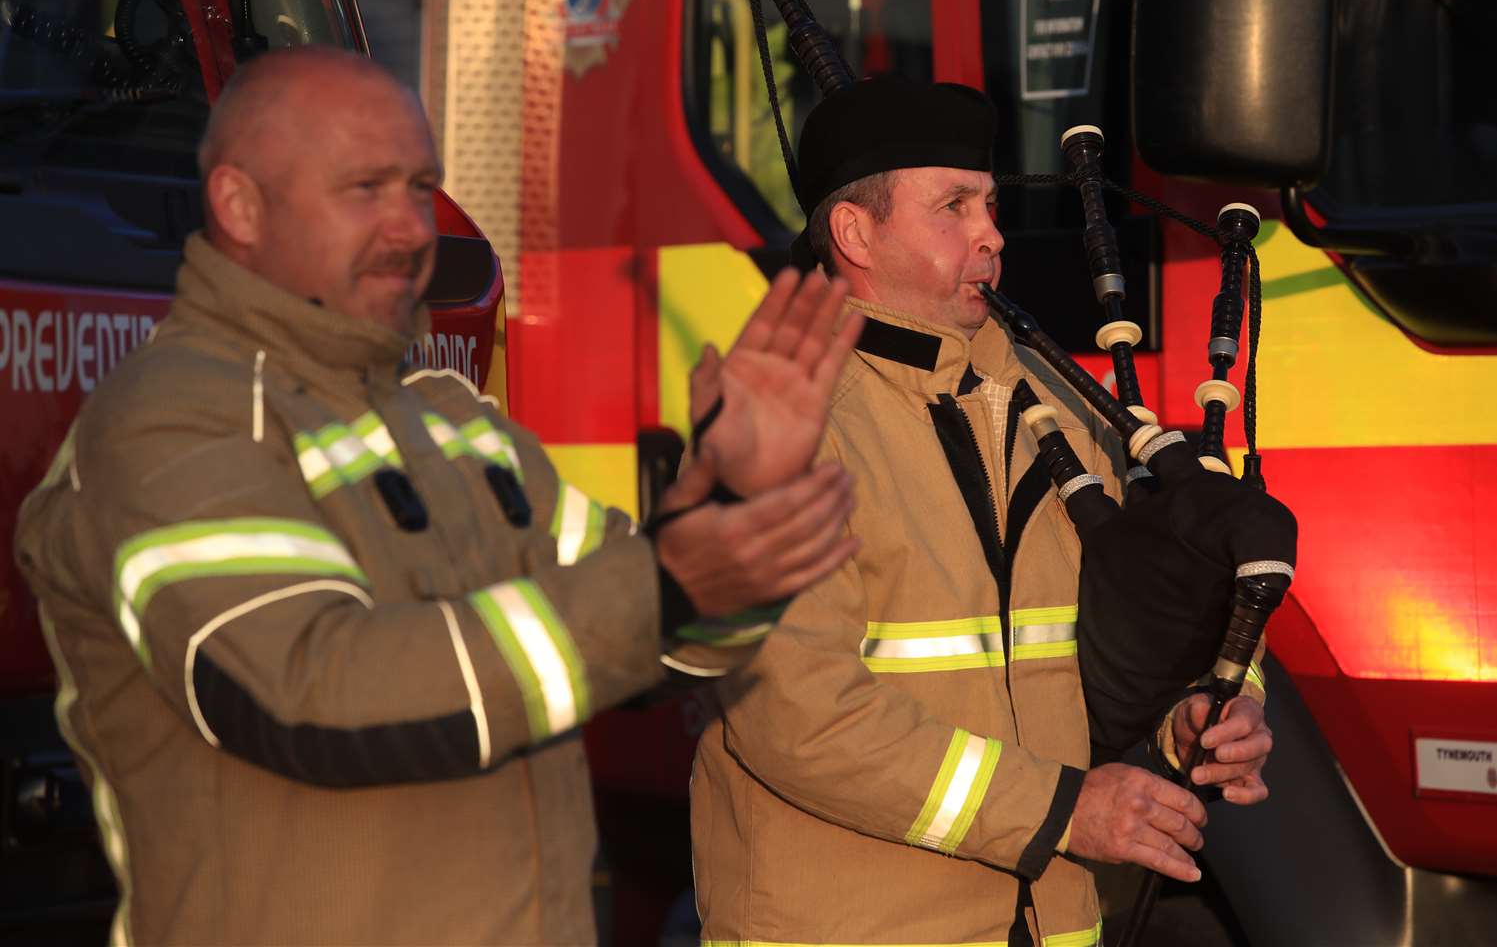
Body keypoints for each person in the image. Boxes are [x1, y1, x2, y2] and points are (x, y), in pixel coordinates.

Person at [12, 46, 863, 946]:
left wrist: (727, 499)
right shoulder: (169, 420)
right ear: (239, 206)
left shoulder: (450, 419)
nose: (412, 228)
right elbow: (314, 700)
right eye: (364, 189)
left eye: (419, 187)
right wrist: (663, 587)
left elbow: (670, 645)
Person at [690, 77, 1273, 946]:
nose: (992, 235)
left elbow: (1144, 611)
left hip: (1048, 925)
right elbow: (795, 715)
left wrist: (1201, 705)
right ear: (855, 233)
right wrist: (1062, 811)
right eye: (953, 207)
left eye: (991, 205)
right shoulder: (773, 420)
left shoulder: (1057, 401)